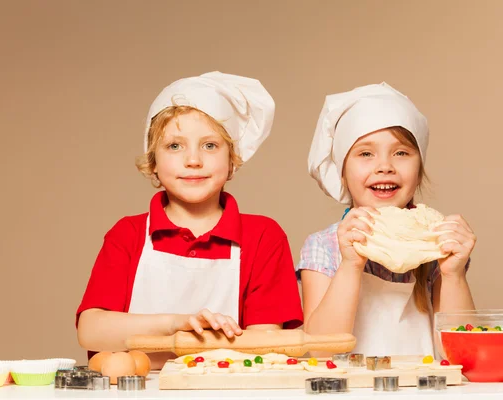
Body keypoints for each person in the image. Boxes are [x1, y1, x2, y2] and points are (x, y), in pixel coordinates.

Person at [76, 71, 303, 369]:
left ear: (232, 159)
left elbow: (264, 342)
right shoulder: (128, 234)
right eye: (174, 146)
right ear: (154, 162)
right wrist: (175, 324)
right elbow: (91, 331)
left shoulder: (262, 236)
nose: (193, 160)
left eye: (210, 145)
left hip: (225, 389)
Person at [298, 82, 476, 356]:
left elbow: (463, 354)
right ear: (342, 172)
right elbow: (321, 352)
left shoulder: (436, 244)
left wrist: (453, 275)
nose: (385, 166)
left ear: (419, 171)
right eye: (365, 153)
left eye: (401, 153)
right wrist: (350, 265)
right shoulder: (323, 246)